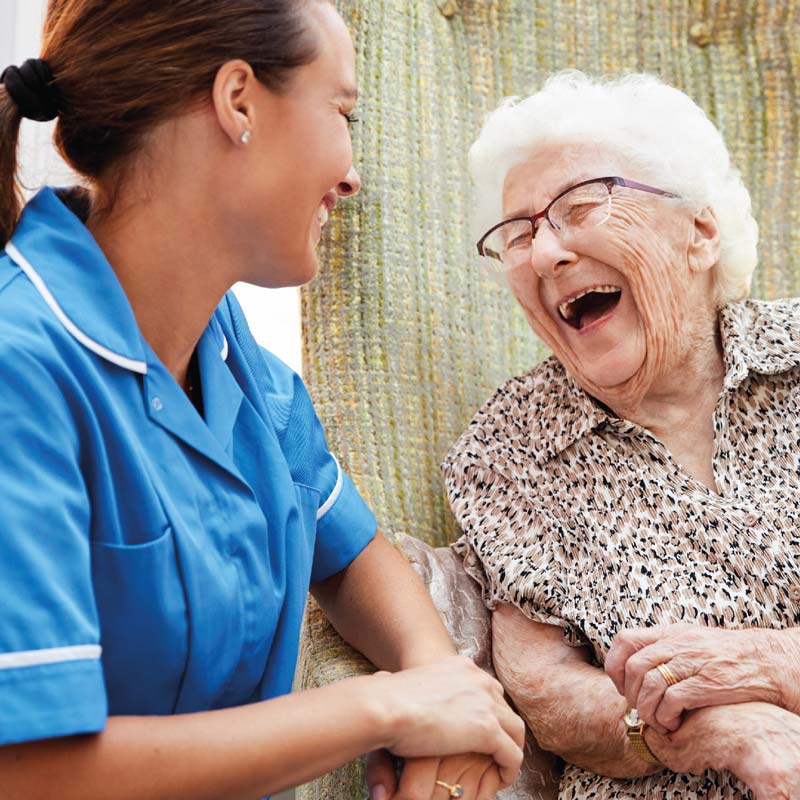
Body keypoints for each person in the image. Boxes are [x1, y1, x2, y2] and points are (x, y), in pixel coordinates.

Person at [0, 2, 526, 799]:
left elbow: (347, 555)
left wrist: (442, 686)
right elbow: (32, 769)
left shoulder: (227, 348)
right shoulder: (22, 370)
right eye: (342, 111)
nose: (353, 173)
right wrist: (385, 708)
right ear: (238, 101)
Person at [442, 70, 800, 800]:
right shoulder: (510, 448)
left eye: (580, 207)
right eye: (519, 233)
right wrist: (720, 733)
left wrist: (765, 666)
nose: (545, 255)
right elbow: (547, 693)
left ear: (699, 232)